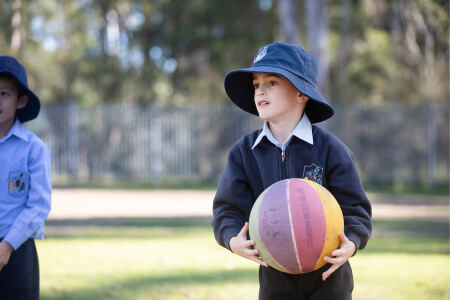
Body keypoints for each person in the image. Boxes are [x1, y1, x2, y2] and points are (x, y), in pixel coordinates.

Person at [212, 42, 372, 299]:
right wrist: (232, 239)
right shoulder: (244, 152)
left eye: (272, 83)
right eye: (256, 84)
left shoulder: (331, 150)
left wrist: (352, 242)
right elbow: (227, 209)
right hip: (274, 278)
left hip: (329, 277)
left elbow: (356, 210)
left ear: (302, 94)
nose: (260, 90)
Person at [0, 56, 52, 299]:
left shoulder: (34, 149)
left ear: (21, 101)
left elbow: (38, 205)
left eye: (4, 94)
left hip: (16, 250)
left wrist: (7, 246)